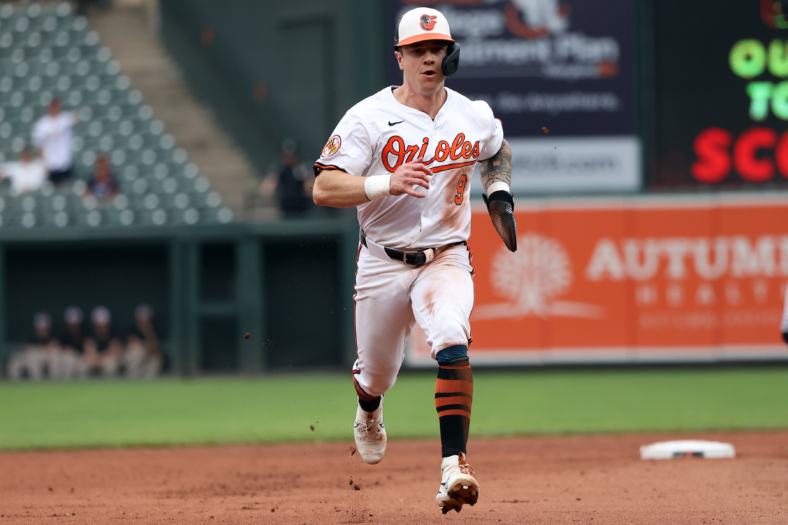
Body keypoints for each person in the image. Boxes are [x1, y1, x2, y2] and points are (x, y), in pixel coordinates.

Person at [311, 7, 516, 514]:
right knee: (378, 373)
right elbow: (323, 187)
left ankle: (454, 467)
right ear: (399, 56)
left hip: (446, 255)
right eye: (419, 50)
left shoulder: (471, 113)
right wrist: (385, 182)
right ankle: (369, 407)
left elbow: (496, 147)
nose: (429, 58)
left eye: (438, 49)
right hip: (382, 260)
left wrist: (499, 192)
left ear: (450, 54)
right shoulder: (367, 117)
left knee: (451, 334)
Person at [258, 138, 315, 218]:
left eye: (291, 155)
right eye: (286, 155)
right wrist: (275, 177)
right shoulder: (279, 168)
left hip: (303, 210)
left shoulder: (304, 166)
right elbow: (265, 191)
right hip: (285, 210)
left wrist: (305, 176)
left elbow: (310, 190)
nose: (289, 158)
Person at [31, 98, 78, 186]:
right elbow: (38, 145)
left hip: (66, 163)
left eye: (57, 106)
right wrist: (43, 162)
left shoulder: (65, 118)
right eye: (53, 107)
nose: (55, 109)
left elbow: (78, 117)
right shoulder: (42, 124)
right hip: (51, 165)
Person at [7, 312, 59, 381]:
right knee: (18, 360)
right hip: (34, 357)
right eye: (40, 328)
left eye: (44, 328)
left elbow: (55, 347)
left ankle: (56, 382)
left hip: (48, 358)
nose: (42, 330)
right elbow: (26, 347)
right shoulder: (32, 337)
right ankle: (16, 385)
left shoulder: (54, 336)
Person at [123, 304, 162, 379]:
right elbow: (129, 345)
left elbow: (155, 348)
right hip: (135, 360)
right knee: (137, 352)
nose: (144, 322)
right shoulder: (132, 330)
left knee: (155, 362)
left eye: (146, 320)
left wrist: (148, 332)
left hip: (149, 358)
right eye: (141, 320)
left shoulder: (154, 331)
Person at [84, 306, 123, 377]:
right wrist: (96, 359)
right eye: (99, 325)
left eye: (104, 325)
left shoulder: (114, 335)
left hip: (106, 360)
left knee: (111, 364)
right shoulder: (91, 336)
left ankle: (111, 387)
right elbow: (89, 351)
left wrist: (101, 358)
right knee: (83, 364)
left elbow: (116, 352)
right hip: (95, 360)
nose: (101, 327)